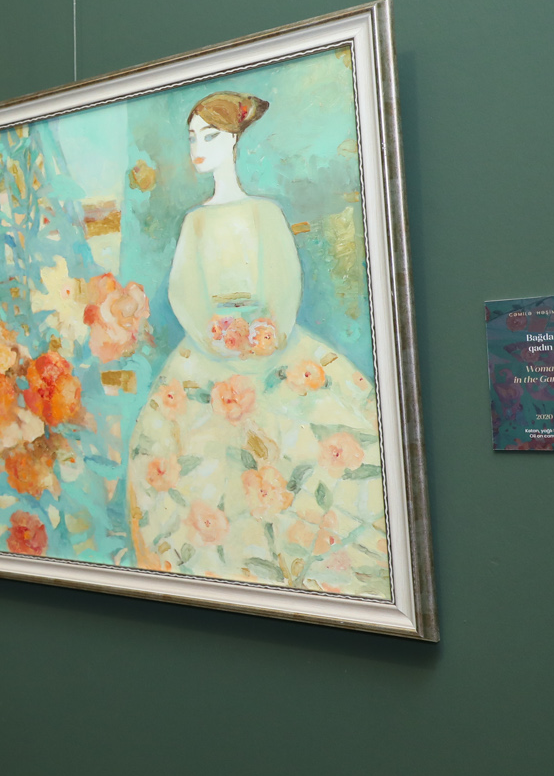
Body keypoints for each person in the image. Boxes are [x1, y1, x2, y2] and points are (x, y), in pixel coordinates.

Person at [126, 92, 391, 598]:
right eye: (192, 138)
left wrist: (271, 330)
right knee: (193, 457)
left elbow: (285, 279)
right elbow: (183, 290)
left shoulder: (263, 213)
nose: (198, 149)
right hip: (208, 350)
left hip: (272, 342)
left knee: (301, 445)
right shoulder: (195, 221)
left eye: (210, 136)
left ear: (233, 140)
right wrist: (211, 334)